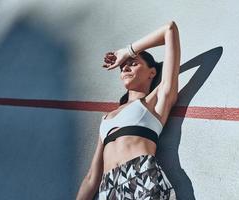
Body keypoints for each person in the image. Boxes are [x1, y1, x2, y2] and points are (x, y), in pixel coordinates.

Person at [76, 20, 181, 200]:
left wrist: (127, 51)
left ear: (152, 73)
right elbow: (91, 178)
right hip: (109, 190)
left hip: (142, 179)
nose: (125, 67)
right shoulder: (106, 118)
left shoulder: (156, 101)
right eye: (124, 66)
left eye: (133, 63)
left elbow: (169, 29)